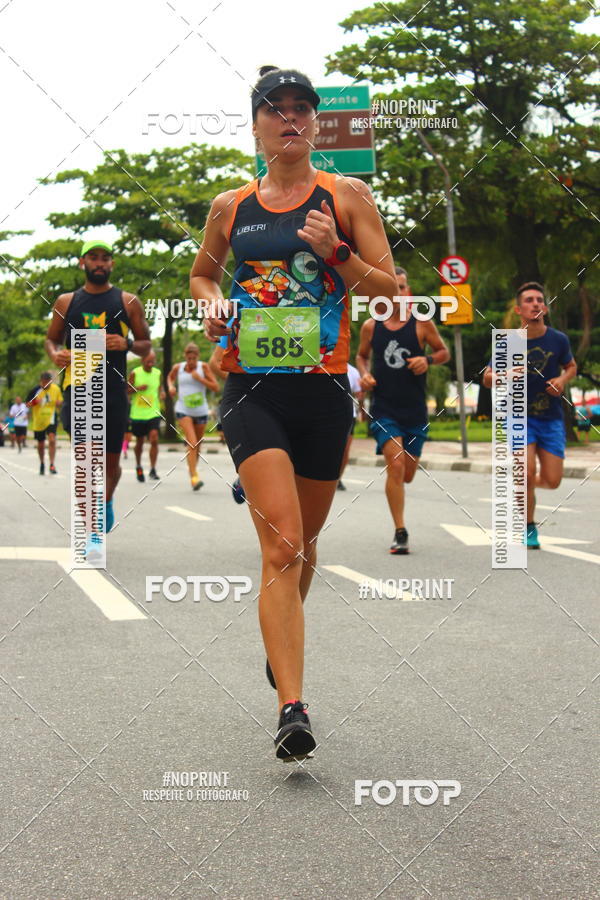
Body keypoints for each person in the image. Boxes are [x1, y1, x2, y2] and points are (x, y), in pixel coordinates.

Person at [193, 65, 397, 761]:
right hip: (251, 388)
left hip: (323, 392)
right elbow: (203, 273)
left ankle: (280, 635)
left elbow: (390, 294)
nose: (289, 119)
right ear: (254, 125)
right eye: (274, 109)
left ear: (315, 122)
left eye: (300, 108)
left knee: (304, 546)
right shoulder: (230, 206)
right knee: (281, 545)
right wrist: (211, 304)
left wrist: (335, 252)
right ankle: (293, 708)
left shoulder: (347, 195)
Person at [45, 239, 151, 535]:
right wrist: (56, 355)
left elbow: (145, 345)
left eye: (105, 258)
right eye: (93, 257)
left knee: (109, 466)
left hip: (113, 392)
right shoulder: (66, 302)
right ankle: (92, 531)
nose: (100, 263)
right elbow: (51, 340)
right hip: (78, 390)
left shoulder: (127, 302)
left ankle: (105, 500)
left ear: (112, 264)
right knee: (85, 462)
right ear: (83, 262)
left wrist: (126, 343)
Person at [356, 267, 450, 554]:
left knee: (407, 473)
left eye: (403, 287)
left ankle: (400, 520)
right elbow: (361, 356)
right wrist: (365, 375)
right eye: (393, 287)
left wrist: (427, 360)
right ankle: (400, 530)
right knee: (395, 465)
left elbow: (443, 352)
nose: (398, 292)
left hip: (415, 411)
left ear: (409, 292)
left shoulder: (422, 324)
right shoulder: (372, 326)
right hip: (384, 408)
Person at [483, 281, 577, 549]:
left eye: (539, 300)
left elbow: (571, 366)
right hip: (518, 417)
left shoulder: (558, 339)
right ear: (518, 309)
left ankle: (522, 484)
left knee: (553, 481)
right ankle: (528, 526)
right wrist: (505, 374)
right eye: (529, 300)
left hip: (551, 418)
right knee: (525, 472)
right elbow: (487, 378)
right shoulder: (509, 341)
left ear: (544, 308)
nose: (535, 304)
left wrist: (561, 380)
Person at [167, 342, 218, 491]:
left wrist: (200, 379)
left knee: (197, 446)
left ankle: (192, 470)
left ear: (198, 357)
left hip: (201, 411)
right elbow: (170, 378)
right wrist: (171, 386)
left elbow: (216, 387)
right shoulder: (178, 368)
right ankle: (194, 477)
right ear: (185, 356)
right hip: (183, 410)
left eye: (194, 358)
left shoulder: (203, 367)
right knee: (192, 442)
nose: (191, 361)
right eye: (189, 358)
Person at [129, 350, 164, 482]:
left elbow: (160, 388)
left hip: (153, 412)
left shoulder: (157, 373)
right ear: (142, 360)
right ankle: (138, 465)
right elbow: (126, 390)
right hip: (138, 414)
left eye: (152, 361)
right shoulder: (135, 373)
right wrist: (137, 388)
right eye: (148, 361)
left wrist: (162, 393)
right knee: (140, 442)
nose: (150, 364)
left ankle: (153, 469)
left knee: (154, 438)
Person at [26, 372, 63, 475]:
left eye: (48, 382)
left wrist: (59, 403)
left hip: (51, 418)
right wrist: (35, 402)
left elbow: (60, 401)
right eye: (44, 382)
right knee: (41, 444)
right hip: (39, 421)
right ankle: (42, 463)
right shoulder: (35, 390)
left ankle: (52, 464)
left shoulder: (56, 389)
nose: (46, 384)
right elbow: (27, 404)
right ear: (41, 381)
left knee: (52, 440)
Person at [337, 362, 363, 490]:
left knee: (345, 450)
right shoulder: (323, 367)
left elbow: (359, 394)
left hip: (348, 415)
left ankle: (338, 478)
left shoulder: (353, 371)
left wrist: (362, 411)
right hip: (327, 413)